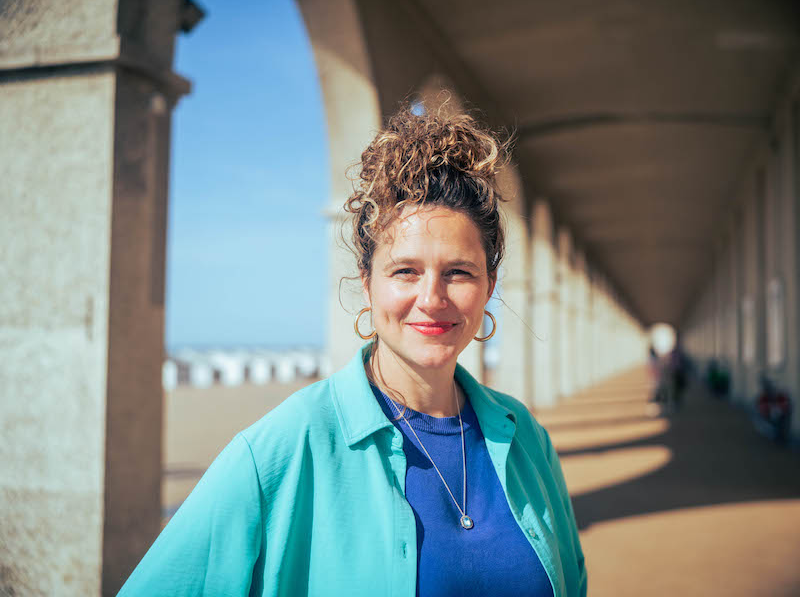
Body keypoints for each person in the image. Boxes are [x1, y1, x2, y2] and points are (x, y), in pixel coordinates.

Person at [118, 107, 587, 596]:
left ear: (488, 286)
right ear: (367, 283)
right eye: (405, 271)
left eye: (459, 272)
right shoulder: (284, 447)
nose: (432, 298)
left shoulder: (525, 437)